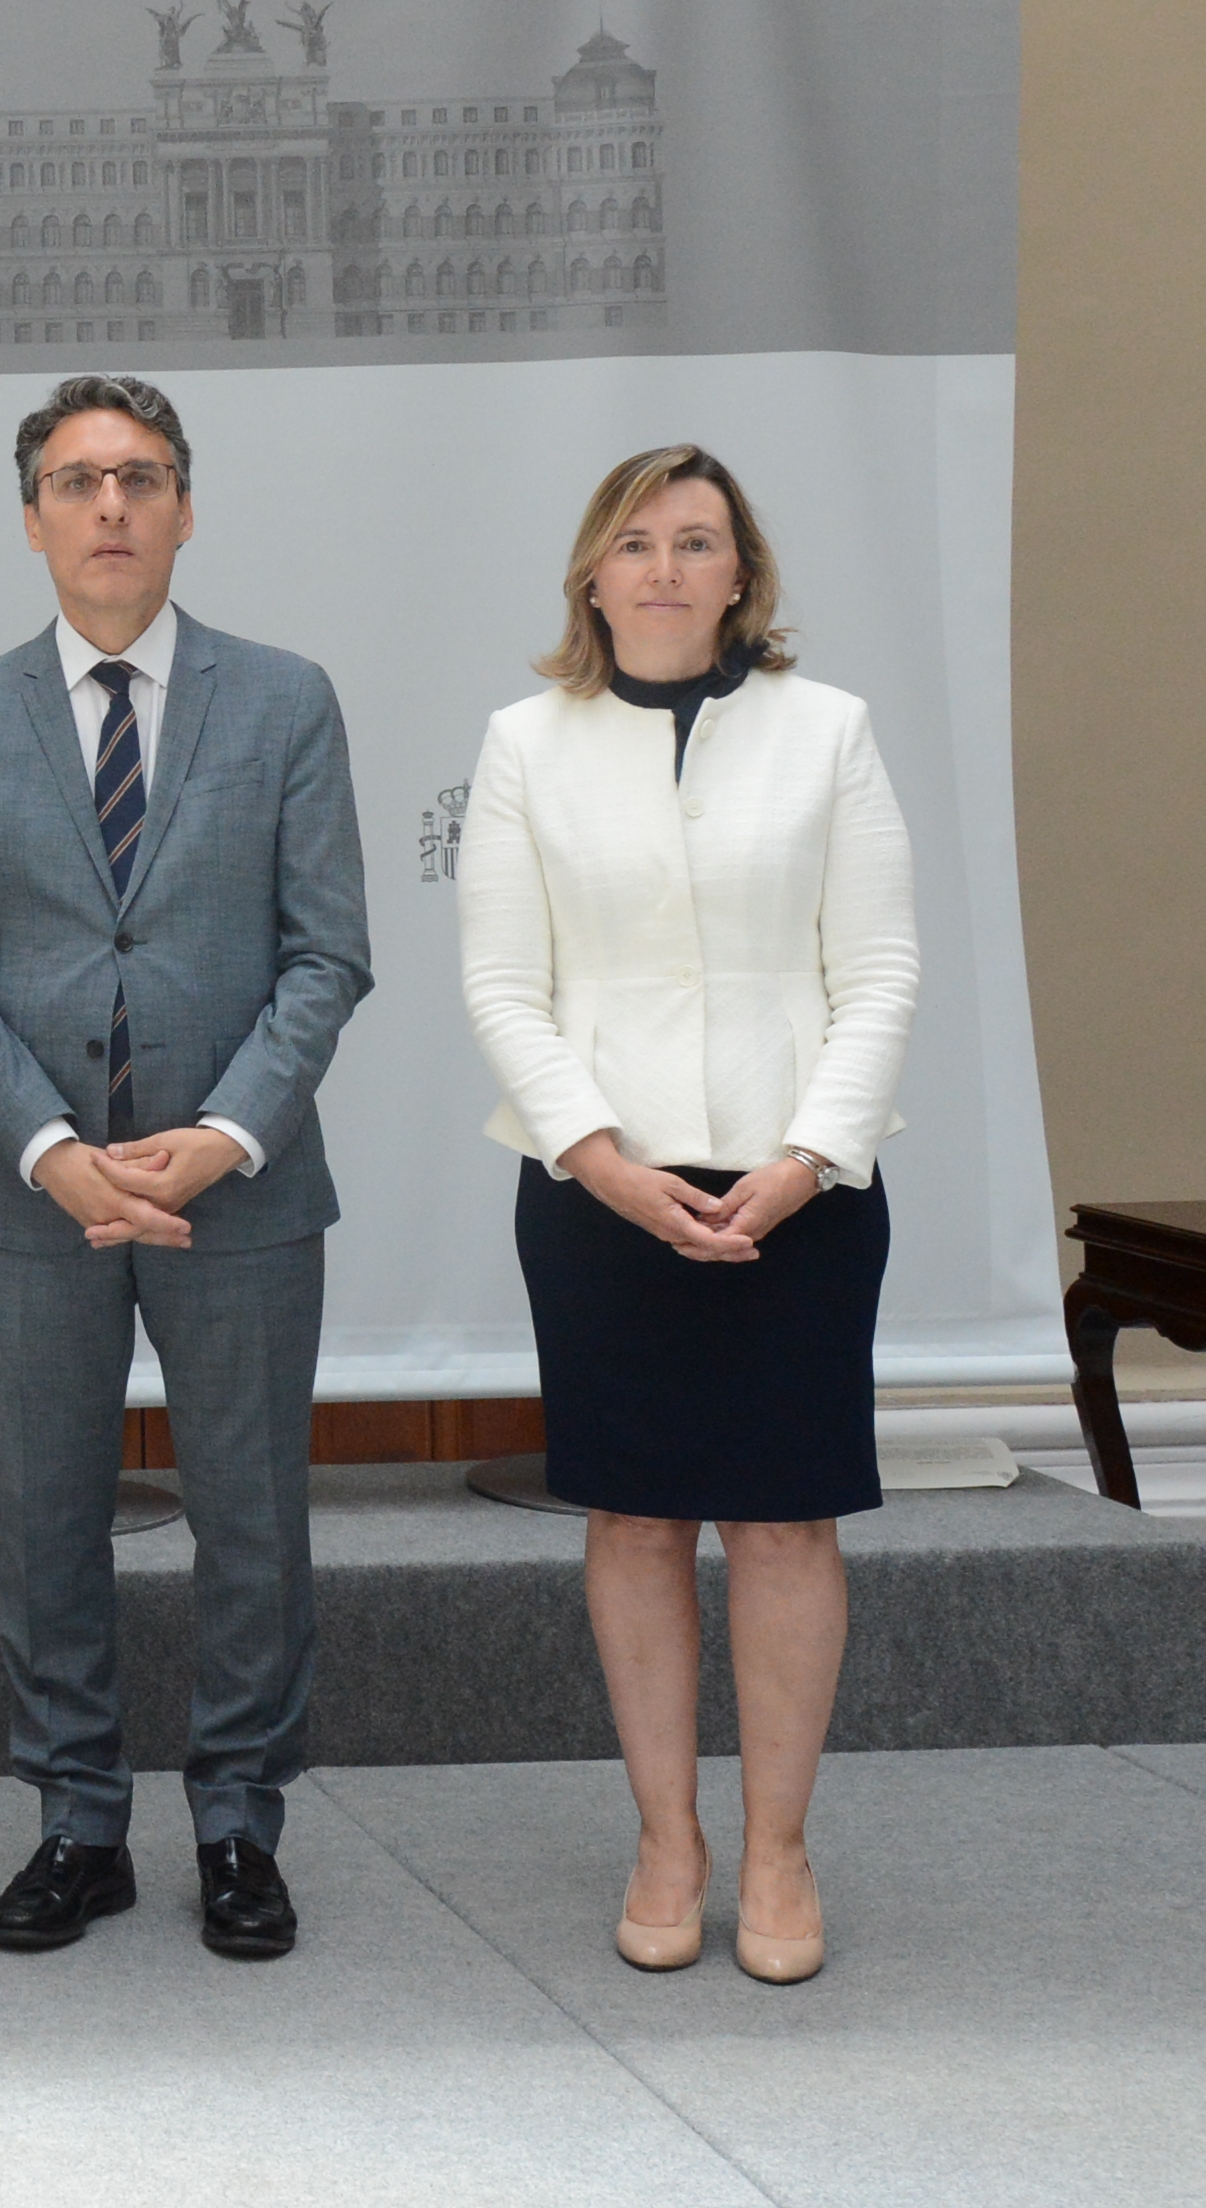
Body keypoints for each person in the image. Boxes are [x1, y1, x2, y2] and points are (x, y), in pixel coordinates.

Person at [0, 376, 373, 1962]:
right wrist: (53, 1153)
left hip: (245, 1191)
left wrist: (224, 1136)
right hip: (39, 1197)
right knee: (47, 1521)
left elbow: (326, 955)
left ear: (185, 508)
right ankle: (77, 1823)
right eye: (77, 480)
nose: (110, 505)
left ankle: (239, 1823)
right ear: (31, 517)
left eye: (141, 477)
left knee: (253, 1520)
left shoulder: (286, 700)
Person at [460, 444, 912, 1987]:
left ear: (742, 577)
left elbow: (881, 974)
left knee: (784, 1520)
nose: (664, 567)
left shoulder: (828, 731)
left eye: (697, 542)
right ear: (593, 575)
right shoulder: (526, 743)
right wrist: (602, 1162)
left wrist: (807, 1159)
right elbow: (505, 989)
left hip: (803, 1187)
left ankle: (779, 1851)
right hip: (600, 1189)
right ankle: (669, 1840)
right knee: (638, 1516)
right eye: (636, 541)